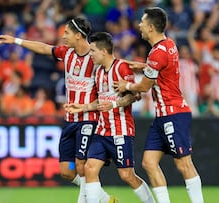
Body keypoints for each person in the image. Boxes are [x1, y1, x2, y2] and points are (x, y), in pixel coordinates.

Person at [0, 17, 116, 203]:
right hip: (69, 119)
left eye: (67, 32)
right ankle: (103, 199)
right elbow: (44, 48)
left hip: (88, 117)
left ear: (78, 35)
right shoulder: (66, 53)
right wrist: (16, 40)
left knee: (82, 165)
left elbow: (116, 63)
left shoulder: (95, 57)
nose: (63, 36)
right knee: (66, 172)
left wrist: (139, 68)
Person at [113, 7, 204, 203]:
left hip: (173, 113)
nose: (139, 25)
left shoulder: (157, 54)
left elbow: (145, 86)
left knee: (183, 164)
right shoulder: (168, 44)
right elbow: (162, 70)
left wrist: (125, 85)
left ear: (151, 27)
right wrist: (144, 67)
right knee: (148, 162)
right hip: (163, 115)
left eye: (142, 23)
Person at [66, 32, 155, 203]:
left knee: (127, 175)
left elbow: (134, 96)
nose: (90, 54)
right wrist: (83, 107)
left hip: (120, 130)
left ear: (104, 51)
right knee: (90, 169)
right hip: (102, 130)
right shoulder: (98, 72)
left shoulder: (121, 67)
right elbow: (102, 100)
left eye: (93, 51)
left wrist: (114, 105)